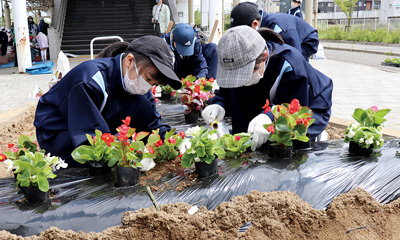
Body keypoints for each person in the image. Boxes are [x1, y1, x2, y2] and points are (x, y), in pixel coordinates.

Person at [34, 36, 182, 166]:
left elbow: (153, 125)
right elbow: (89, 137)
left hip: (94, 121)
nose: (148, 86)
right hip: (60, 130)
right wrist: (132, 151)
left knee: (142, 105)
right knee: (97, 158)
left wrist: (174, 140)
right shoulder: (89, 80)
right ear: (129, 61)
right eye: (148, 79)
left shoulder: (137, 84)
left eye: (154, 84)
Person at [202, 26, 333, 151]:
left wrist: (269, 116)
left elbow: (294, 107)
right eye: (233, 75)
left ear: (264, 56)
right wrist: (219, 104)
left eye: (244, 73)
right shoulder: (238, 61)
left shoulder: (290, 64)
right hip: (265, 96)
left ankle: (316, 136)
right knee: (247, 137)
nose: (239, 80)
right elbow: (226, 92)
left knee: (283, 142)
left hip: (309, 102)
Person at [229, 1, 318, 60]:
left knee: (287, 59)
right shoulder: (263, 25)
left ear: (255, 24)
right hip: (289, 34)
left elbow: (295, 55)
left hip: (307, 40)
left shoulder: (279, 28)